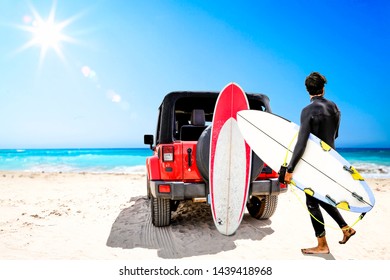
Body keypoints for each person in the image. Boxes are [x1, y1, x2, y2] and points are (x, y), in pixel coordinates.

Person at [284, 72, 356, 254]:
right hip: (332, 160)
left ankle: (323, 244)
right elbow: (335, 135)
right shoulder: (335, 108)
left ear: (308, 90)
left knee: (312, 201)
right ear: (323, 88)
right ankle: (345, 228)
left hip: (315, 163)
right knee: (319, 198)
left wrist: (290, 168)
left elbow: (301, 142)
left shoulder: (307, 111)